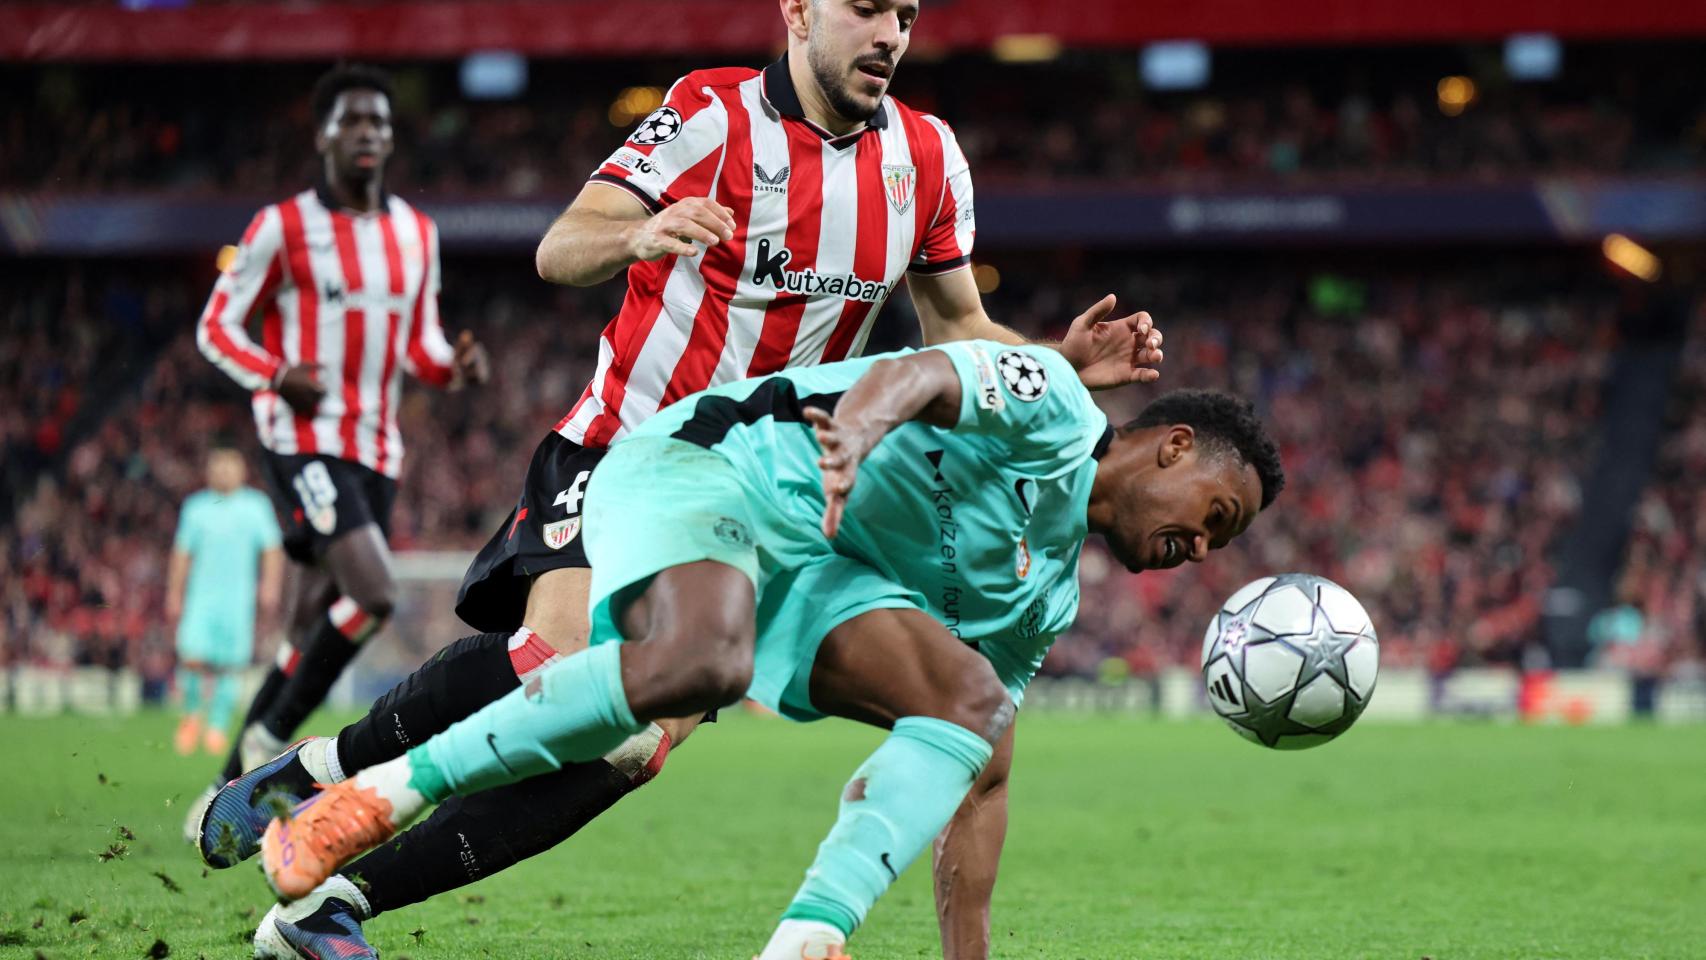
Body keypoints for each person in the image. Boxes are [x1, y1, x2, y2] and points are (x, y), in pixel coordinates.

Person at [201, 2, 1161, 956]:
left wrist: (1057, 359)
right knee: (559, 655)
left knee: (627, 747)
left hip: (747, 505)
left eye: (905, 15)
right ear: (797, 10)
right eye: (866, 9)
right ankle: (308, 777)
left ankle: (329, 910)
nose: (889, 35)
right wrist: (638, 235)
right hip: (622, 445)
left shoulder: (926, 157)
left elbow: (957, 329)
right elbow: (559, 246)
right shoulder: (712, 114)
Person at [257, 341, 1283, 959]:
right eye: (1212, 515)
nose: (1195, 549)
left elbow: (983, 780)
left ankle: (804, 940)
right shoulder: (1056, 405)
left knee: (975, 710)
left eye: (1216, 545)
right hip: (717, 468)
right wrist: (858, 431)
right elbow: (922, 371)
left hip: (808, 579)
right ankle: (380, 790)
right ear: (1172, 447)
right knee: (698, 663)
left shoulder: (1043, 595)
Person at [190, 63, 491, 817]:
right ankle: (277, 764)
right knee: (375, 591)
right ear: (324, 133)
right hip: (303, 437)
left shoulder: (416, 234)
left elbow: (417, 346)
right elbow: (215, 327)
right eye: (354, 121)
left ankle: (228, 785)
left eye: (381, 123)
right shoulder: (282, 227)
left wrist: (453, 368)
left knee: (311, 624)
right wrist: (273, 372)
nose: (369, 135)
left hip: (376, 449)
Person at [167, 450, 284, 763]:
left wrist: (270, 585)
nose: (224, 473)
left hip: (238, 600)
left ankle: (217, 725)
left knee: (230, 666)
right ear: (208, 471)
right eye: (217, 466)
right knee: (191, 656)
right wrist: (174, 593)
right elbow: (182, 553)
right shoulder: (196, 508)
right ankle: (192, 716)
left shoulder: (256, 506)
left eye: (230, 467)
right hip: (200, 598)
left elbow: (272, 549)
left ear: (242, 470)